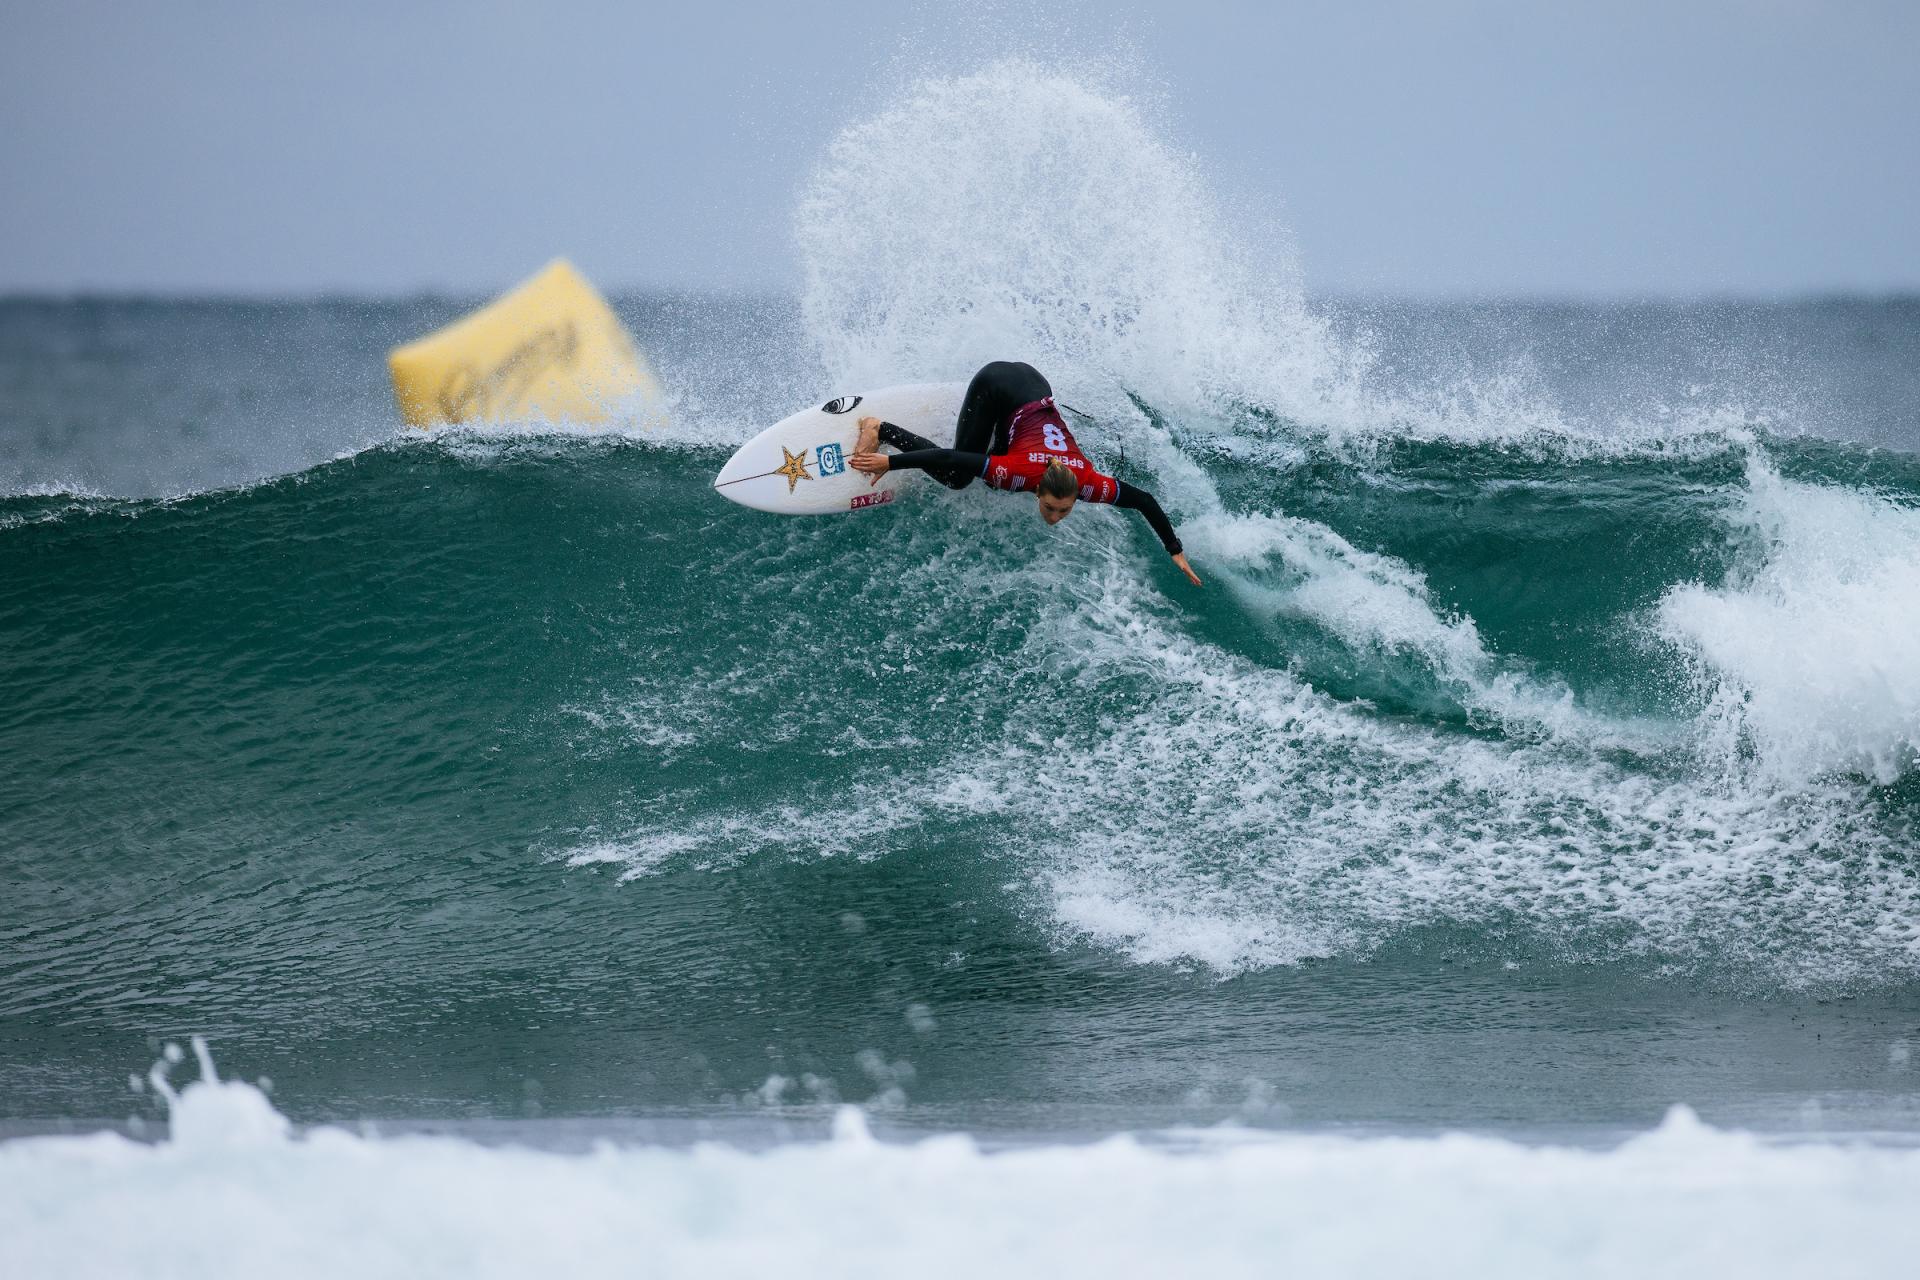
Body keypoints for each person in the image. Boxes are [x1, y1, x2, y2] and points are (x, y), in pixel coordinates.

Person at [848, 361, 1202, 586]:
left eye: (1063, 509)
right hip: (997, 383)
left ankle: (990, 431)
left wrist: (1175, 550)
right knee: (960, 478)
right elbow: (949, 457)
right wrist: (889, 463)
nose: (1056, 516)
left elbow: (1144, 500)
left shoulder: (1089, 484)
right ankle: (880, 429)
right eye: (1051, 507)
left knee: (987, 467)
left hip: (1034, 386)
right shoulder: (1015, 472)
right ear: (1038, 490)